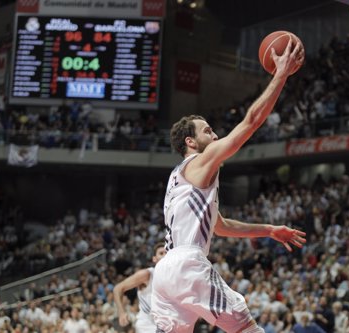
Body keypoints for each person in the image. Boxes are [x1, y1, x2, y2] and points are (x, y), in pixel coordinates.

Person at [151, 39, 306, 333]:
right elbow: (251, 122)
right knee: (247, 329)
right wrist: (281, 75)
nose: (215, 133)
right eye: (208, 130)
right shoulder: (200, 160)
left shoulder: (178, 178)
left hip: (165, 273)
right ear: (191, 142)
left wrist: (269, 230)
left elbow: (220, 226)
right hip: (186, 264)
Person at [113, 243, 166, 332]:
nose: (165, 256)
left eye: (167, 253)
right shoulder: (147, 274)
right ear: (154, 259)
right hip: (146, 326)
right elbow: (117, 288)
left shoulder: (174, 278)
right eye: (161, 253)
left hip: (164, 326)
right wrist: (121, 312)